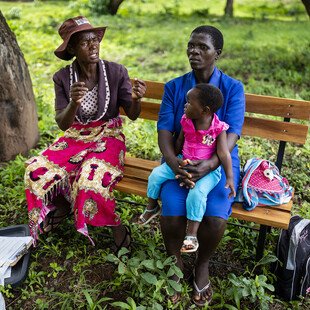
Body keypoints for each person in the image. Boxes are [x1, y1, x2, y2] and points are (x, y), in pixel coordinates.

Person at [24, 16, 146, 250]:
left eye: (95, 40)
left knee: (91, 176)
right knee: (35, 169)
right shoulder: (62, 78)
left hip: (108, 136)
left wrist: (136, 99)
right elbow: (62, 123)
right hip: (75, 137)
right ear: (71, 48)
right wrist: (74, 102)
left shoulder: (115, 72)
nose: (93, 46)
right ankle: (61, 206)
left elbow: (132, 114)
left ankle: (115, 226)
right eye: (84, 42)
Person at [156, 25, 245, 306]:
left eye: (202, 47)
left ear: (216, 54)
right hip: (180, 160)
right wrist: (173, 164)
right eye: (191, 45)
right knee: (171, 210)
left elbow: (231, 135)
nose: (194, 51)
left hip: (219, 161)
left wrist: (209, 164)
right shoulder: (174, 87)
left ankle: (202, 264)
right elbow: (164, 133)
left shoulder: (232, 88)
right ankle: (175, 263)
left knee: (216, 217)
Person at [137, 84, 236, 254]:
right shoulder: (186, 120)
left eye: (189, 103)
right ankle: (152, 207)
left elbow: (224, 154)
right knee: (155, 175)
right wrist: (174, 161)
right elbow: (179, 143)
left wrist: (229, 177)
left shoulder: (218, 129)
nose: (185, 105)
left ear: (204, 110)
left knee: (197, 194)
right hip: (184, 162)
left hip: (208, 171)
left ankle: (191, 235)